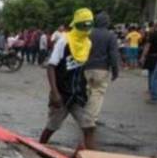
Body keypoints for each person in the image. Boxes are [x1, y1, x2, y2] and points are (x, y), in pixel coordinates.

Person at [39, 8, 95, 149]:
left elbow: (82, 68)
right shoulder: (64, 40)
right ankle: (38, 149)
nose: (86, 29)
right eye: (83, 26)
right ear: (76, 25)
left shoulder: (88, 43)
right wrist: (55, 93)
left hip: (78, 94)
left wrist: (88, 85)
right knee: (52, 127)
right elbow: (51, 66)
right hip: (62, 93)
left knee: (89, 127)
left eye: (89, 26)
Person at [83, 12, 120, 140]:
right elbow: (113, 55)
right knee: (97, 94)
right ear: (107, 23)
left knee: (88, 92)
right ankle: (90, 120)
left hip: (86, 68)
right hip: (102, 69)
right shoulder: (110, 36)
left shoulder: (88, 34)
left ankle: (85, 115)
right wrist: (115, 70)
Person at [140, 20, 157, 94]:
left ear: (156, 26)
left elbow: (147, 46)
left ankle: (151, 88)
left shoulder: (153, 35)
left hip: (152, 55)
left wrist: (143, 56)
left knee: (151, 73)